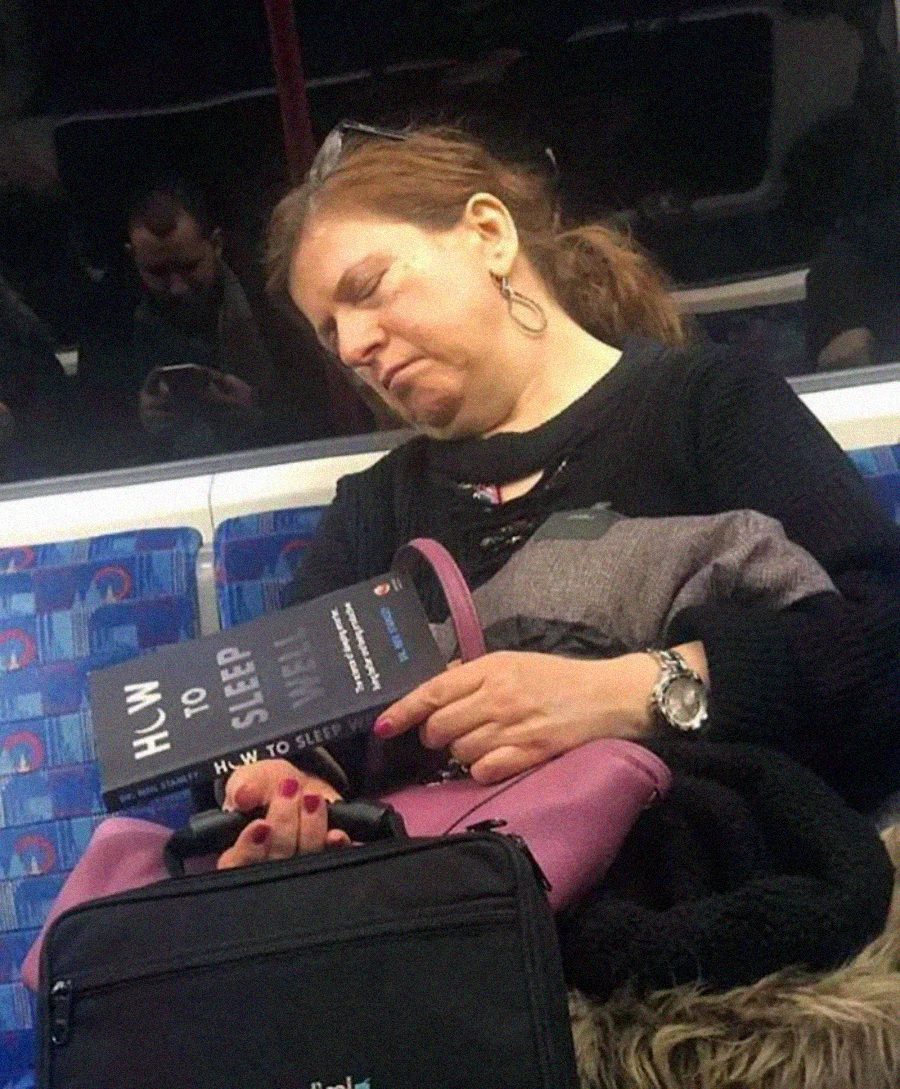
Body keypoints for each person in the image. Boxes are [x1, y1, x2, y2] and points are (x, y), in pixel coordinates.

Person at [215, 123, 900, 872]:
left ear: (488, 233)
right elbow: (272, 721)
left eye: (368, 289)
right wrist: (285, 787)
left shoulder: (708, 406)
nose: (352, 349)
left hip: (710, 890)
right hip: (468, 917)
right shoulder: (375, 509)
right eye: (329, 333)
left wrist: (630, 691)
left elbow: (881, 640)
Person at [125, 178, 346, 459]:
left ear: (216, 245)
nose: (177, 286)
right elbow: (95, 434)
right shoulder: (112, 322)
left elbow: (328, 411)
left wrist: (260, 413)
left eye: (189, 267)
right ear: (133, 258)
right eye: (157, 273)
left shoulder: (274, 299)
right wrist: (141, 422)